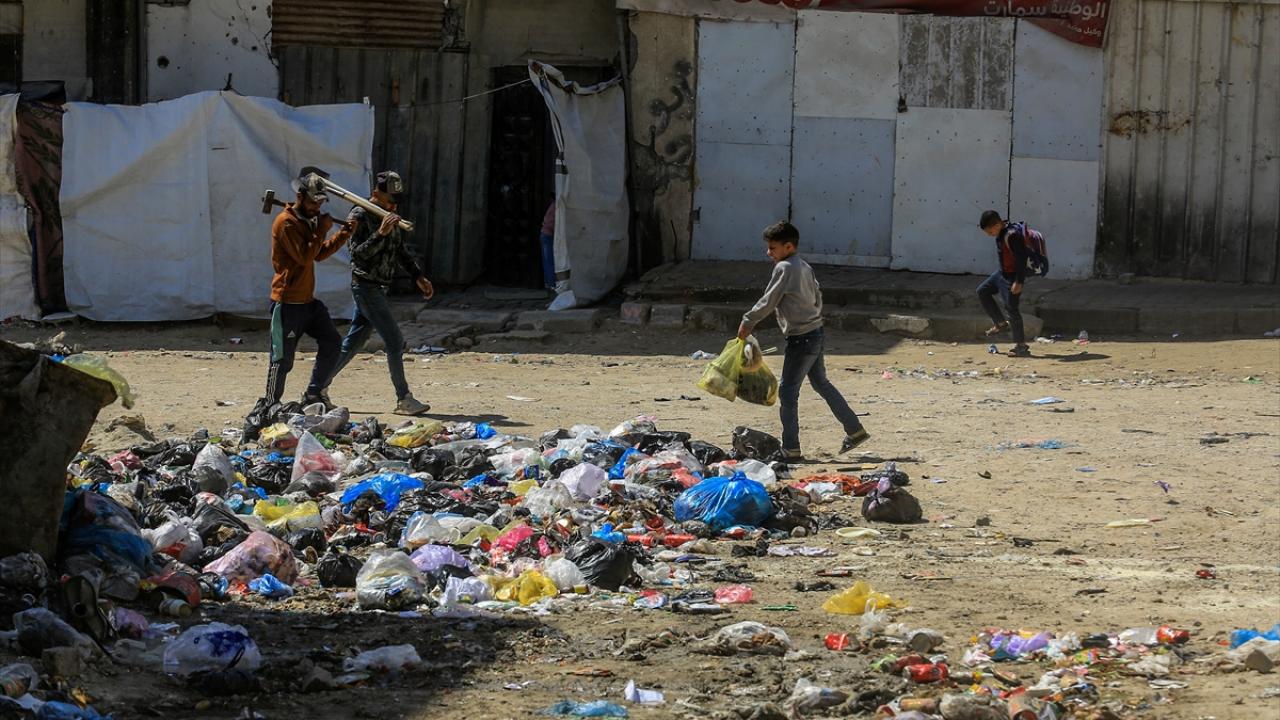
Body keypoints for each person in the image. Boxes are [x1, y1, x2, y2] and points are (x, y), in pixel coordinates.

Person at [737, 221, 870, 461]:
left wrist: (748, 322)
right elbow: (817, 296)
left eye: (773, 248)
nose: (768, 253)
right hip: (815, 332)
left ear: (788, 247)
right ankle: (855, 430)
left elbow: (768, 300)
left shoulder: (784, 268)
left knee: (788, 393)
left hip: (801, 339)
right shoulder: (804, 266)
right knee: (821, 384)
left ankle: (791, 448)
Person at [322, 171, 434, 416]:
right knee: (394, 341)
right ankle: (404, 399)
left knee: (353, 342)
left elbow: (399, 250)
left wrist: (418, 276)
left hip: (379, 287)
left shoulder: (389, 216)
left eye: (396, 201)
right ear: (376, 193)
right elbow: (357, 254)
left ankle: (317, 388)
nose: (393, 205)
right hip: (365, 286)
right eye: (389, 200)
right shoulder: (359, 215)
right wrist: (379, 233)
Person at [250, 170, 353, 421]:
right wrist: (322, 230)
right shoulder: (286, 223)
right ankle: (270, 405)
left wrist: (343, 234)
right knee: (282, 359)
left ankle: (314, 393)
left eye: (320, 203)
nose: (317, 208)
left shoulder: (309, 221)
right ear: (300, 197)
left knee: (332, 342)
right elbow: (305, 256)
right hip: (287, 303)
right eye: (313, 202)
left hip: (308, 302)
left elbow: (318, 254)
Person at [976, 210, 1030, 358]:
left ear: (997, 225)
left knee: (1012, 309)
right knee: (983, 291)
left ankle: (1021, 346)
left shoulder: (1012, 236)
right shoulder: (1001, 233)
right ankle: (1000, 324)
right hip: (1001, 273)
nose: (989, 235)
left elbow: (1021, 260)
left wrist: (1019, 281)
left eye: (990, 231)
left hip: (1012, 277)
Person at [539, 198, 556, 290]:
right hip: (548, 235)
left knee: (548, 260)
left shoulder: (554, 205)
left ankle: (550, 283)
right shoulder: (556, 206)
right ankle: (551, 283)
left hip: (547, 234)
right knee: (549, 260)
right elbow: (550, 224)